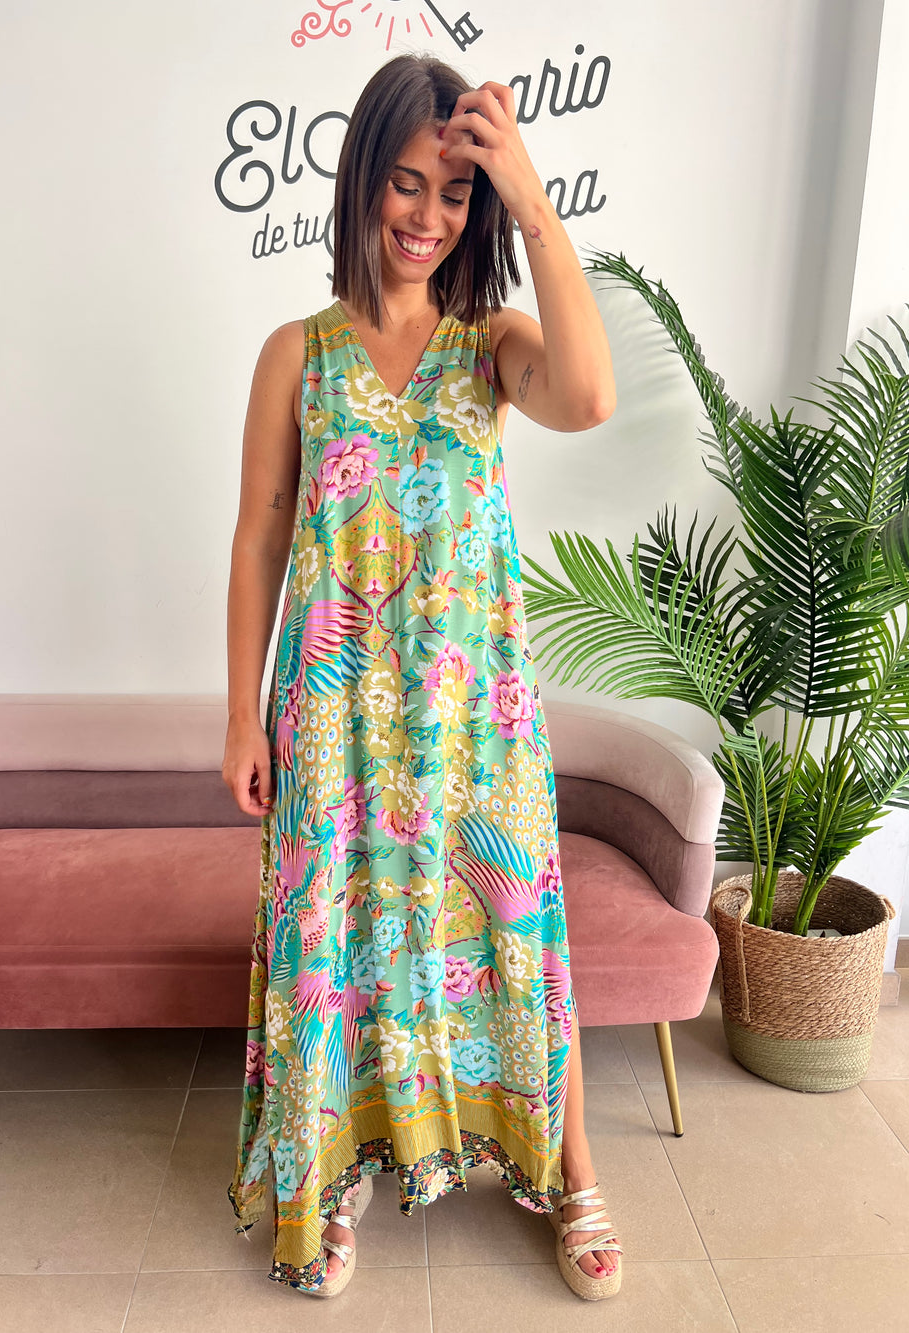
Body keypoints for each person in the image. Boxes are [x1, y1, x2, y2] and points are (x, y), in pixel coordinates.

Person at [223, 52, 622, 1301]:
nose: (427, 217)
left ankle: (570, 1170)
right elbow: (262, 533)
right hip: (332, 718)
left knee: (515, 931)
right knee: (336, 945)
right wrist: (240, 715)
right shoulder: (297, 354)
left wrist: (531, 199)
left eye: (455, 195)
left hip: (473, 719)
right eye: (405, 183)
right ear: (360, 181)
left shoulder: (490, 345)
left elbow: (591, 397)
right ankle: (332, 1171)